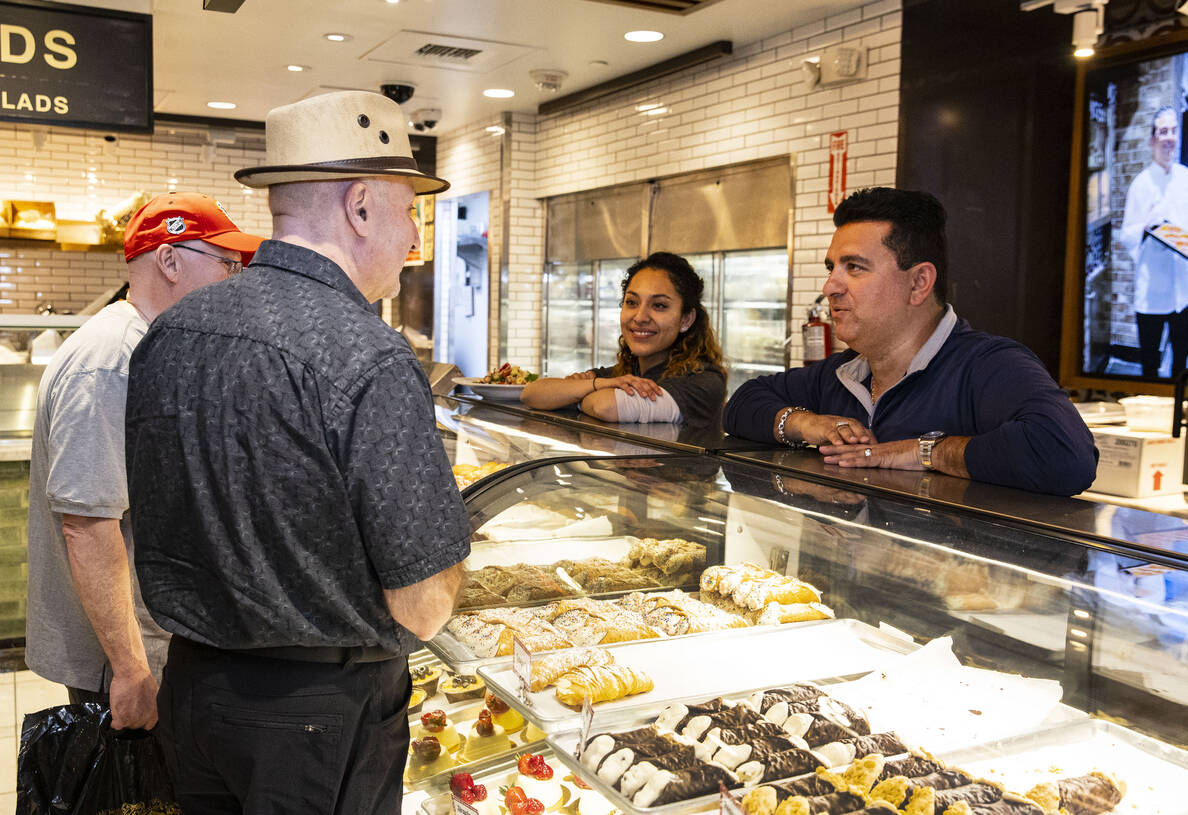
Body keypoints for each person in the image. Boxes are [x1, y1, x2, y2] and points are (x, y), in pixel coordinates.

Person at [125, 91, 468, 814]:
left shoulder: (171, 332)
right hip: (321, 717)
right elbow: (427, 601)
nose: (414, 240)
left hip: (193, 691)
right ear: (361, 205)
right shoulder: (370, 355)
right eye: (412, 212)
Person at [25, 193, 262, 730]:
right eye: (226, 262)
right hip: (120, 657)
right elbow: (88, 525)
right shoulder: (113, 361)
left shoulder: (146, 344)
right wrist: (131, 670)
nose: (235, 276)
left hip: (150, 641)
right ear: (170, 260)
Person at [723, 186, 1097, 496]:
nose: (830, 287)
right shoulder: (843, 373)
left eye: (854, 267)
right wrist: (806, 424)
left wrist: (925, 451)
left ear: (919, 283)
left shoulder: (988, 365)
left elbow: (1067, 457)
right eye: (831, 268)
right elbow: (741, 404)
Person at [521, 252, 726, 425]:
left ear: (686, 319)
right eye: (632, 302)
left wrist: (577, 392)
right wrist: (597, 385)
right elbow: (532, 393)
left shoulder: (704, 381)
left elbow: (606, 406)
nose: (640, 317)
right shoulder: (622, 375)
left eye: (659, 305)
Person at [1119, 106, 1188, 379]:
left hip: (1184, 291)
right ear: (1153, 139)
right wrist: (1145, 227)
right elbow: (1126, 234)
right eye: (1163, 131)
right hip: (1152, 291)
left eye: (1174, 131)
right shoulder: (1141, 184)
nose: (1169, 137)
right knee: (1150, 364)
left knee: (1181, 362)